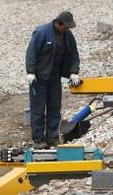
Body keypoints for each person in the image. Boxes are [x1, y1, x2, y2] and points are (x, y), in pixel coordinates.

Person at [25, 11, 81, 149]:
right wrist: (31, 72)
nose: (67, 29)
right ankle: (38, 140)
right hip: (39, 78)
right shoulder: (42, 32)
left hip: (54, 77)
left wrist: (74, 72)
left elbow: (74, 53)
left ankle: (53, 138)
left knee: (55, 108)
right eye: (65, 27)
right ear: (58, 23)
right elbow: (31, 52)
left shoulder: (67, 35)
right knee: (38, 110)